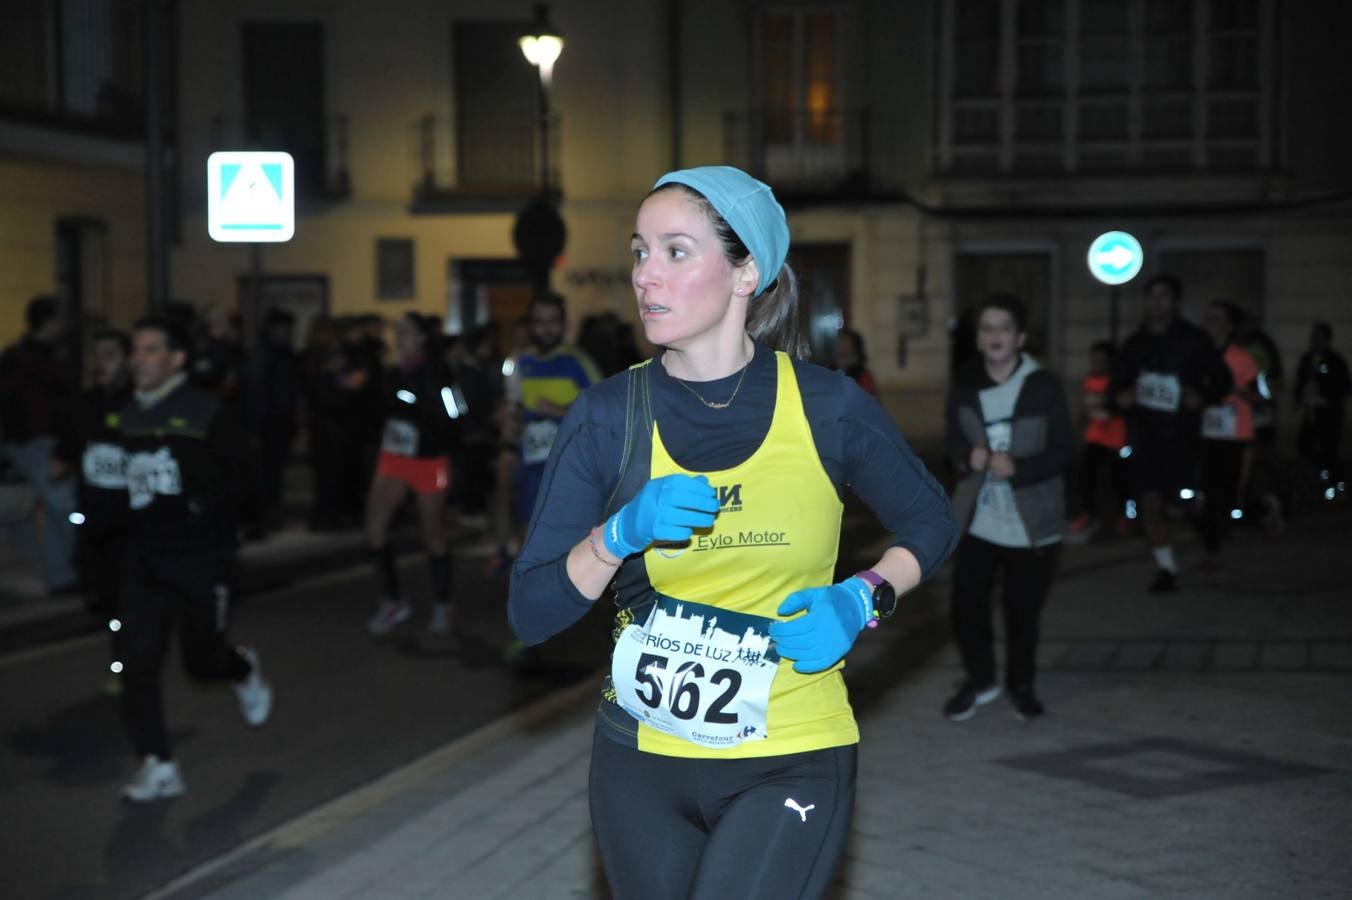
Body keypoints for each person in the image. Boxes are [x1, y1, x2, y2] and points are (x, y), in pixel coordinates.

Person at [506, 166, 955, 899]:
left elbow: (931, 518)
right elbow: (531, 613)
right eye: (639, 252)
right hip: (641, 763)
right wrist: (616, 535)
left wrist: (865, 596)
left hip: (791, 752)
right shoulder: (607, 417)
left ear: (746, 270)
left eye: (676, 252)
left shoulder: (827, 407)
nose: (647, 275)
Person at [116, 315, 272, 802]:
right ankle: (159, 764)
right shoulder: (124, 416)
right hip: (143, 558)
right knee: (135, 662)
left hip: (201, 557)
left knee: (201, 662)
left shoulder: (206, 412)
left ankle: (242, 669)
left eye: (151, 349)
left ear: (177, 359)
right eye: (136, 349)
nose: (138, 359)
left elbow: (246, 481)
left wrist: (208, 508)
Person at [943, 294, 1072, 721]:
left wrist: (1019, 467)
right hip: (979, 518)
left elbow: (1064, 450)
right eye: (986, 329)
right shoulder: (965, 383)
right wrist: (968, 457)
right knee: (966, 605)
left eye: (1003, 328)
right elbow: (953, 439)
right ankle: (981, 681)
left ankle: (1021, 684)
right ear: (978, 339)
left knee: (1022, 613)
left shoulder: (1043, 386)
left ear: (1019, 337)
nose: (994, 336)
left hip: (1032, 522)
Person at [1108, 274, 1231, 592]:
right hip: (1145, 435)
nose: (1157, 302)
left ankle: (1210, 537)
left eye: (1164, 296)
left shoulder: (1193, 339)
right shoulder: (1134, 345)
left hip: (1183, 435)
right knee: (1149, 501)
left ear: (1175, 301)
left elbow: (1221, 378)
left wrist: (1201, 395)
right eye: (1152, 296)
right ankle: (1166, 568)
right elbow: (1115, 388)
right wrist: (1123, 397)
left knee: (1184, 503)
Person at [365, 313, 462, 637]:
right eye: (396, 332)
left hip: (428, 461)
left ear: (421, 338)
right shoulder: (389, 371)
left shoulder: (439, 371)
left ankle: (443, 603)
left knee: (431, 534)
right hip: (393, 456)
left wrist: (417, 408)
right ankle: (393, 601)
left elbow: (455, 415)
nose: (398, 338)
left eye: (405, 332)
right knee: (375, 529)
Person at [51, 329, 133, 692]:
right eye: (97, 357)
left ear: (129, 361)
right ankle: (126, 656)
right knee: (105, 599)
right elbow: (63, 454)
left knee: (128, 600)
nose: (101, 364)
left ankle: (123, 664)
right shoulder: (83, 405)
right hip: (94, 520)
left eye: (110, 356)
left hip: (134, 524)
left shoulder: (142, 405)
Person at [0, 295, 78, 594]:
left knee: (51, 511)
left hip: (37, 442)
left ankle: (60, 575)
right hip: (33, 442)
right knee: (62, 508)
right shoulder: (26, 359)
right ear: (48, 320)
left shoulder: (38, 357)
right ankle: (62, 574)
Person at [1197, 300, 1262, 566]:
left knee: (1227, 489)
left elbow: (1261, 395)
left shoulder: (1243, 357)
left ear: (1229, 324)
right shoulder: (1198, 355)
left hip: (1234, 432)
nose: (1210, 324)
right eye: (1208, 318)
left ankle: (1258, 510)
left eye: (1216, 318)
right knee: (1204, 489)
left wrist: (1237, 390)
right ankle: (1214, 540)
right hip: (1203, 431)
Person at [1068, 340, 1128, 540]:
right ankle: (1088, 514)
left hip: (1115, 438)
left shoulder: (1116, 381)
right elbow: (1085, 406)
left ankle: (1124, 517)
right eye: (1094, 358)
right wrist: (1080, 422)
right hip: (1095, 436)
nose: (1097, 363)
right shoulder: (1089, 379)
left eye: (1102, 359)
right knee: (1086, 475)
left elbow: (1121, 407)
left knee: (1119, 479)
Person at [1294, 321, 1350, 498]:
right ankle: (1311, 484)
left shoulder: (1336, 361)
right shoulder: (1307, 359)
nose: (1315, 341)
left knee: (1329, 449)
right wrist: (1299, 399)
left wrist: (1326, 392)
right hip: (1310, 413)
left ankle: (1332, 484)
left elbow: (1344, 386)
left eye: (1319, 337)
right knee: (1306, 447)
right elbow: (1300, 383)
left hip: (1329, 414)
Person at [834, 326, 878, 397]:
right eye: (840, 344)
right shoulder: (829, 372)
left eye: (847, 345)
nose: (842, 349)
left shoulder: (864, 378)